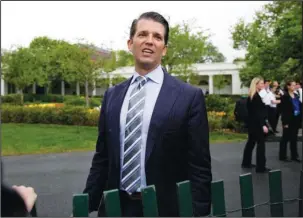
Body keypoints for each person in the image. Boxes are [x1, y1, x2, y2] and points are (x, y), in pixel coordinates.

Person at [82, 11, 212, 217]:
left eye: (157, 37)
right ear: (130, 43)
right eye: (143, 34)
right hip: (117, 208)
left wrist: (199, 211)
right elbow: (102, 158)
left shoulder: (189, 97)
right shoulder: (112, 96)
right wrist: (86, 205)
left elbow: (199, 165)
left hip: (166, 209)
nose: (149, 41)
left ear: (165, 49)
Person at [241, 77, 271, 173]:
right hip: (257, 124)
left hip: (252, 124)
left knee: (251, 142)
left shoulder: (252, 96)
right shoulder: (256, 97)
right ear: (256, 84)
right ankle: (260, 167)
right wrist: (263, 125)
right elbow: (258, 113)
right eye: (261, 83)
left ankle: (246, 162)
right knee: (260, 144)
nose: (263, 85)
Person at [279, 80, 302, 162]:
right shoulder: (285, 96)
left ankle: (294, 155)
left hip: (296, 119)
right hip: (288, 120)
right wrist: (285, 122)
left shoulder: (296, 95)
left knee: (294, 138)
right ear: (288, 86)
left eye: (295, 85)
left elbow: (299, 106)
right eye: (292, 85)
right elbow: (284, 110)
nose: (294, 86)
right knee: (285, 138)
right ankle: (282, 156)